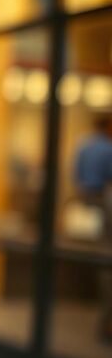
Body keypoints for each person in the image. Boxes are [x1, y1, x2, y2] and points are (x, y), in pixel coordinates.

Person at [72, 115, 112, 344]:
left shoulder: (83, 146)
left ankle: (87, 295)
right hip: (100, 202)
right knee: (103, 256)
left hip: (83, 201)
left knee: (86, 250)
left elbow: (75, 174)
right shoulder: (107, 148)